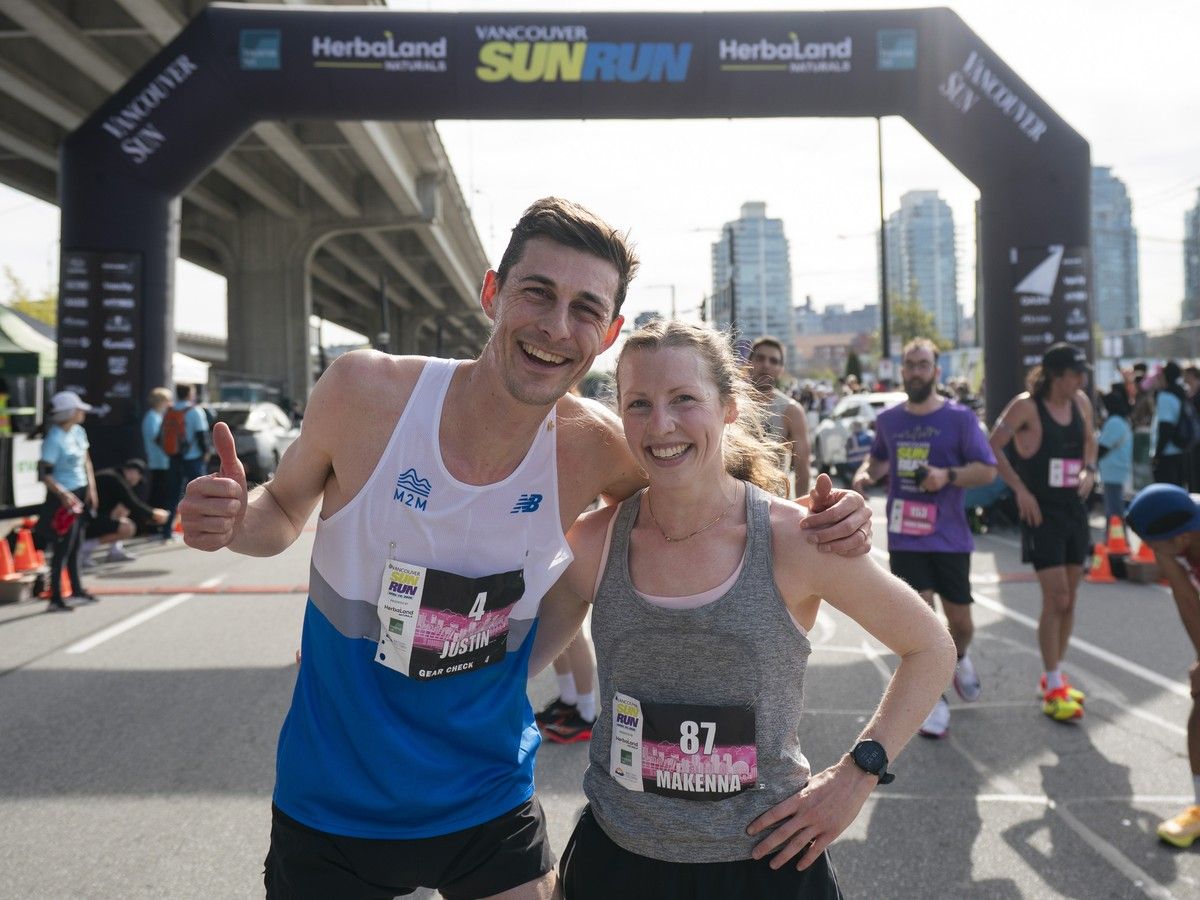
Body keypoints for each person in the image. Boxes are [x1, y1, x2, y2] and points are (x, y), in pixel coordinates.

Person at [179, 197, 874, 900]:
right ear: (492, 293)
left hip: (487, 794)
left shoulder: (596, 445)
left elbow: (712, 496)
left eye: (584, 309)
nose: (555, 327)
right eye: (537, 293)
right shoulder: (366, 391)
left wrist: (827, 517)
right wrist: (235, 519)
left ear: (608, 334)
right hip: (331, 796)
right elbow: (283, 510)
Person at [537, 320, 954, 899]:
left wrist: (856, 774)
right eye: (640, 404)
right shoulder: (593, 544)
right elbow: (510, 665)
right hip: (618, 861)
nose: (662, 425)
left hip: (763, 866)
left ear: (729, 407)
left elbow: (930, 646)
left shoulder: (796, 540)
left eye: (685, 399)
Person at [852, 338, 997, 739]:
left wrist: (946, 476)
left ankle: (961, 657)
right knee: (923, 622)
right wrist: (867, 473)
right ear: (902, 371)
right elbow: (879, 458)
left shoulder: (960, 419)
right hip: (905, 535)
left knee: (960, 621)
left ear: (937, 371)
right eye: (910, 364)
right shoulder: (890, 420)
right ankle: (935, 700)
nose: (916, 371)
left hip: (949, 536)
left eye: (923, 364)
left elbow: (987, 470)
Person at [989, 343, 1097, 721]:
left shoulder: (1081, 402)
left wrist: (1089, 471)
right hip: (1041, 513)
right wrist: (1019, 490)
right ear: (1055, 375)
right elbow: (993, 446)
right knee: (1057, 597)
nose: (1080, 380)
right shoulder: (1026, 406)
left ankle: (1054, 676)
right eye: (1074, 374)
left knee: (1070, 600)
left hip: (1074, 511)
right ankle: (1053, 682)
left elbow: (1091, 441)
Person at [1125, 483, 1200, 848]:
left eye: (1156, 547)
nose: (1152, 554)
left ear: (1180, 536)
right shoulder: (1182, 530)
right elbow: (1187, 599)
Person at [34, 391, 98, 611]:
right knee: (62, 547)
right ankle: (56, 598)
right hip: (62, 499)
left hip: (79, 493)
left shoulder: (79, 431)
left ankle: (77, 589)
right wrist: (63, 495)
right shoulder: (53, 438)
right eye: (78, 409)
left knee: (76, 544)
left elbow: (86, 461)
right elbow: (45, 474)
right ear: (70, 413)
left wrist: (91, 487)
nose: (82, 412)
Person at [747, 336, 810, 497]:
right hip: (731, 506)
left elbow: (802, 468)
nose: (766, 365)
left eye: (774, 361)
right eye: (760, 358)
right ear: (749, 362)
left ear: (781, 369)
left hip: (774, 506)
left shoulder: (791, 410)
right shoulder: (729, 404)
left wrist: (803, 514)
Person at [80, 459, 168, 566]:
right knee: (128, 528)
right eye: (138, 476)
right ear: (132, 471)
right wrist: (154, 514)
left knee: (123, 510)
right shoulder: (114, 478)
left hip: (91, 520)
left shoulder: (113, 476)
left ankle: (115, 550)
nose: (137, 481)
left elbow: (128, 506)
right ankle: (84, 549)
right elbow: (133, 504)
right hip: (85, 523)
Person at [162, 383, 210, 540]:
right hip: (193, 458)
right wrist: (206, 453)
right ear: (190, 394)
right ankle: (202, 529)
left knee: (172, 494)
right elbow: (201, 435)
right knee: (200, 494)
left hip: (174, 457)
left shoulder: (170, 410)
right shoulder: (195, 411)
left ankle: (166, 531)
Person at [1097, 387, 1133, 524]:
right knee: (1115, 510)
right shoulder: (1123, 421)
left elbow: (1103, 447)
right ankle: (1117, 541)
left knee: (1113, 512)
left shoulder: (1114, 422)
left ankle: (1116, 542)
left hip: (1113, 471)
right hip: (1117, 470)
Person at [1151, 361, 1188, 488]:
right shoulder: (1180, 392)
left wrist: (1157, 454)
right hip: (1180, 450)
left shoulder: (1165, 396)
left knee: (1166, 494)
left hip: (1167, 453)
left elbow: (1166, 428)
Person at [142, 387, 173, 515]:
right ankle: (154, 523)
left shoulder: (156, 416)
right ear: (161, 401)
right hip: (159, 462)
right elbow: (158, 439)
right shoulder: (152, 417)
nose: (170, 403)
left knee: (161, 492)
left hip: (162, 461)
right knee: (158, 493)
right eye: (168, 400)